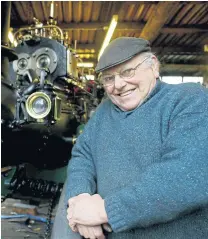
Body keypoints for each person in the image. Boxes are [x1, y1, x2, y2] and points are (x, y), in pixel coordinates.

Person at [51, 37, 208, 239]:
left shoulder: (190, 100)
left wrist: (103, 212)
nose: (118, 84)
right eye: (108, 78)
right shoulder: (103, 111)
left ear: (154, 67)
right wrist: (80, 199)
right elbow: (83, 156)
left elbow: (186, 174)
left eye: (127, 72)